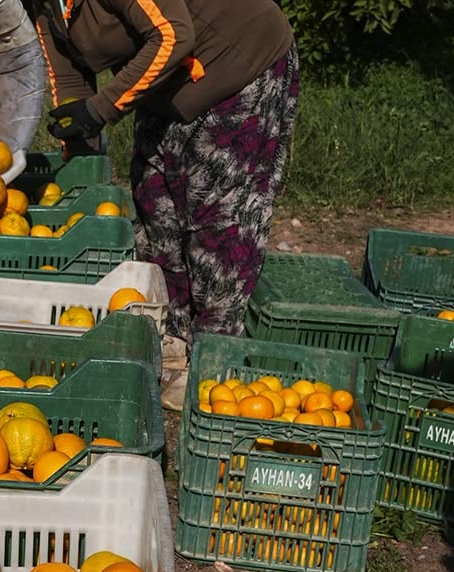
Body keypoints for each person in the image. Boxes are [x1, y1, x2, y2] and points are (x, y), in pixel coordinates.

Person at [33, 0, 299, 408]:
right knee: (155, 203)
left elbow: (173, 34)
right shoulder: (43, 5)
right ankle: (171, 338)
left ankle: (213, 362)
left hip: (236, 60)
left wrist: (101, 109)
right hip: (165, 84)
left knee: (220, 219)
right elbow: (69, 74)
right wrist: (79, 146)